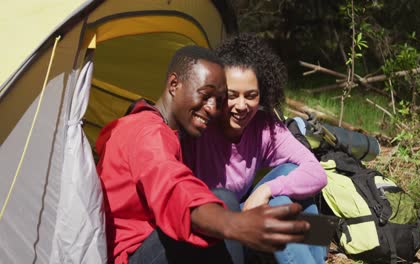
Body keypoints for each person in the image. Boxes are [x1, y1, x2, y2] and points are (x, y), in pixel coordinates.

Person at [96, 45, 311, 264]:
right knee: (223, 200)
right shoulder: (149, 134)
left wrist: (268, 191)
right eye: (205, 95)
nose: (212, 109)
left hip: (158, 240)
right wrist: (233, 223)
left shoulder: (155, 126)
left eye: (218, 100)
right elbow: (174, 189)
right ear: (174, 85)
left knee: (290, 192)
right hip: (132, 256)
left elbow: (314, 172)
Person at [182, 34, 328, 263]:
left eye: (250, 96)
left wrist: (266, 189)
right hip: (212, 229)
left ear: (263, 94)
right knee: (281, 206)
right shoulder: (200, 126)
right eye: (232, 96)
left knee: (292, 178)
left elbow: (317, 173)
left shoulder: (264, 127)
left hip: (245, 214)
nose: (241, 106)